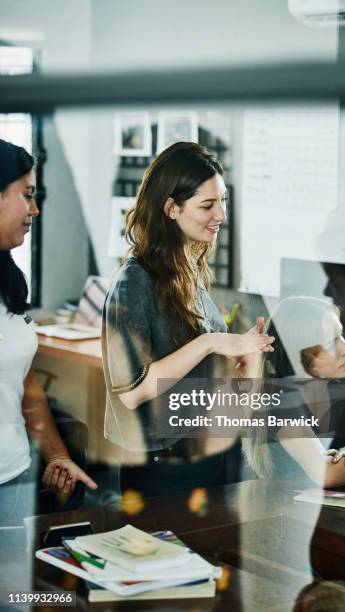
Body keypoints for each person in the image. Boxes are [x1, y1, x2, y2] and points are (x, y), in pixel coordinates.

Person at [102, 141, 273, 497]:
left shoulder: (190, 273)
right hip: (164, 470)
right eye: (208, 204)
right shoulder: (133, 282)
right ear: (171, 209)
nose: (222, 215)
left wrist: (246, 361)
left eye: (223, 201)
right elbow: (132, 393)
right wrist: (211, 341)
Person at [0, 138, 97, 525]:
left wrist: (57, 456)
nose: (35, 210)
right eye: (26, 195)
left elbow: (25, 384)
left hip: (13, 479)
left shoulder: (7, 280)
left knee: (14, 588)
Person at [242, 296, 345, 488]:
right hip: (281, 512)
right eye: (332, 343)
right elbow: (326, 474)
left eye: (341, 336)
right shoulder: (276, 399)